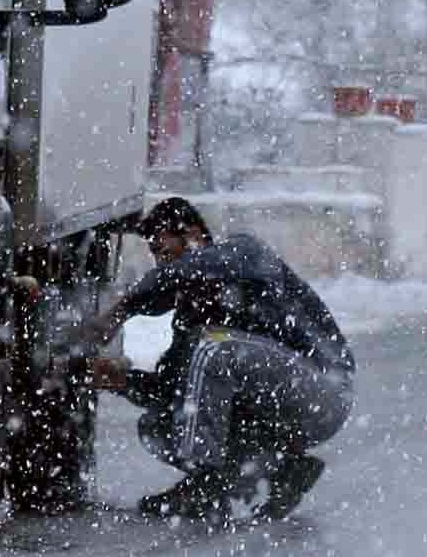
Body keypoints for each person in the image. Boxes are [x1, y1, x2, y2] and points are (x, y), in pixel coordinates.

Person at [86, 198, 354, 521]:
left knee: (214, 348)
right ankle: (281, 469)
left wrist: (121, 309)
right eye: (156, 257)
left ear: (195, 235)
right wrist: (121, 381)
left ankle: (207, 486)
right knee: (159, 425)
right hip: (278, 413)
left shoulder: (244, 254)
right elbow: (178, 391)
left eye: (167, 253)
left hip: (322, 388)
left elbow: (183, 272)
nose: (162, 264)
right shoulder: (193, 317)